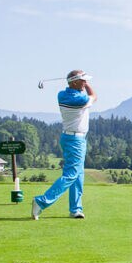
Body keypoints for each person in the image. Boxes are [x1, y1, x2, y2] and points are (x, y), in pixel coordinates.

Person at [32, 70, 96, 219]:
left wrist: (82, 80)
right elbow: (94, 96)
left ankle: (75, 209)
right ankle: (41, 201)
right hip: (75, 140)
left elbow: (82, 90)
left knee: (78, 175)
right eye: (83, 81)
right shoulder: (79, 99)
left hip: (70, 137)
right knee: (71, 174)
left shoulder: (62, 95)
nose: (85, 83)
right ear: (74, 82)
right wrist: (88, 84)